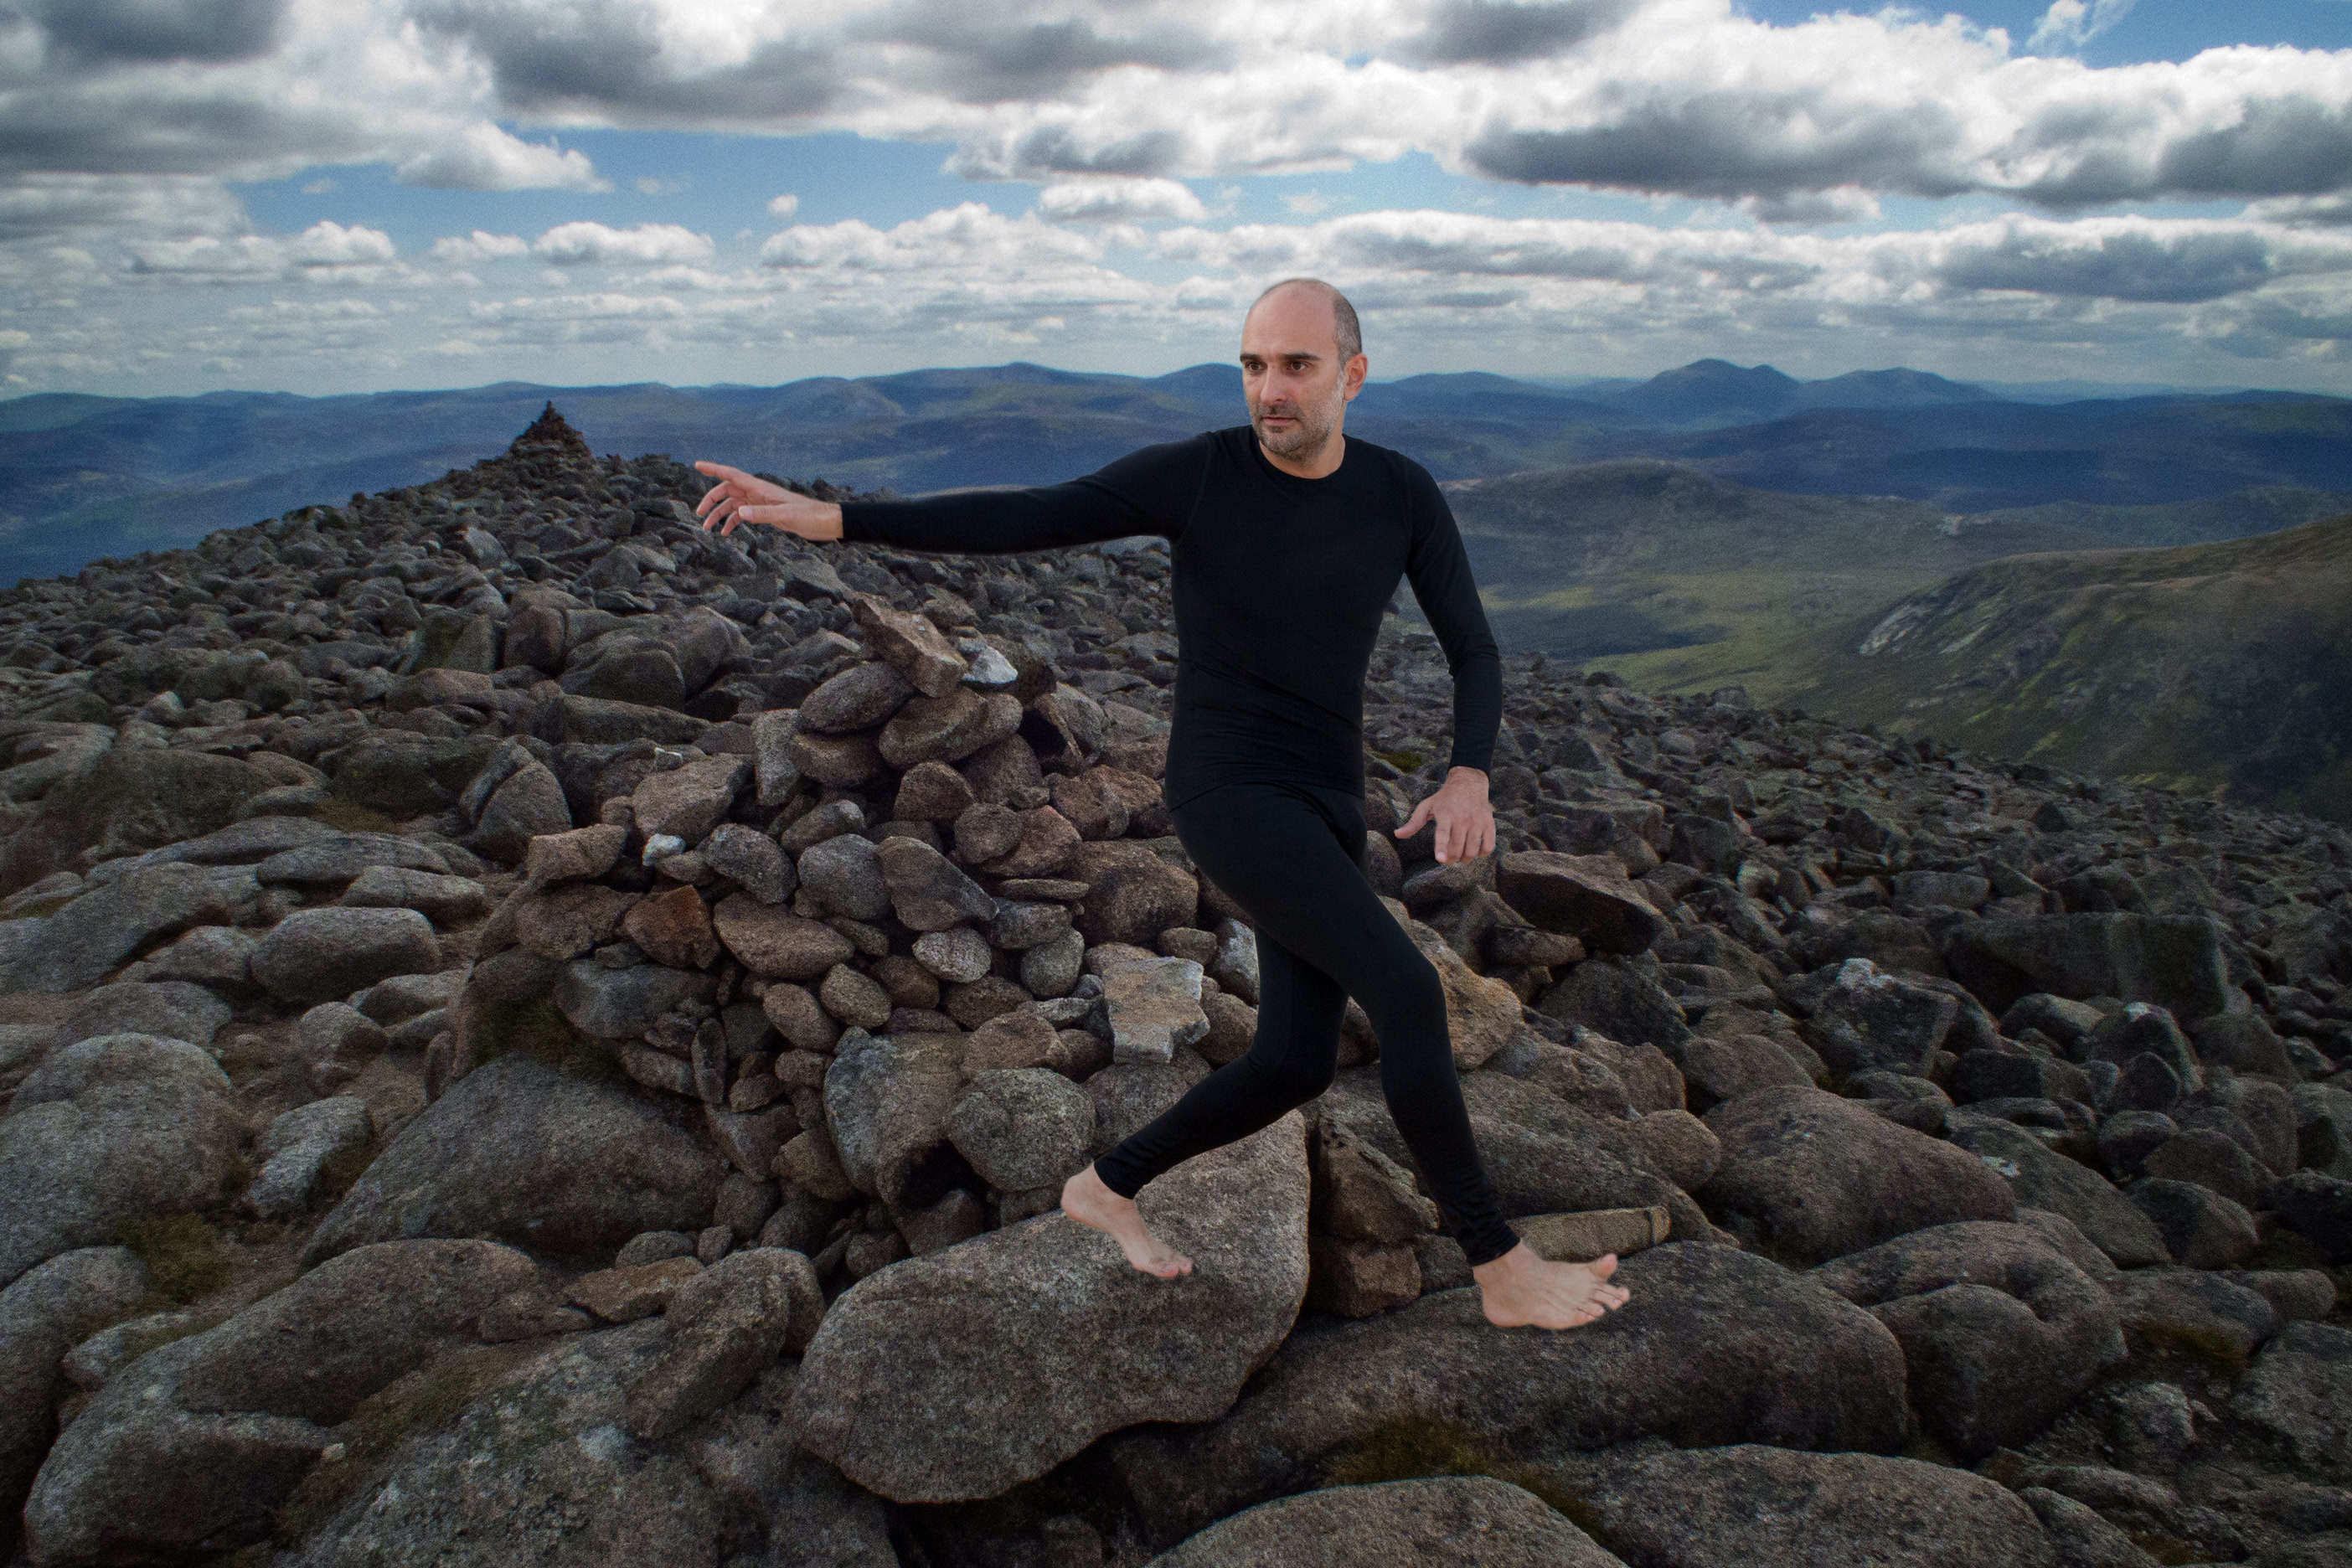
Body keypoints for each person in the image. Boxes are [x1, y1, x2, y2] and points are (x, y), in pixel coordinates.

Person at [693, 277, 1632, 1331]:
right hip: (1229, 790)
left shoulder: (1402, 493)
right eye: (1252, 365)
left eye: (1295, 366)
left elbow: (1473, 647)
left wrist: (1469, 771)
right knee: (1409, 994)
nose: (1268, 390)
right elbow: (1030, 516)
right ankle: (1498, 1265)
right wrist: (832, 518)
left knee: (1293, 1058)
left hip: (1328, 795)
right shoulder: (1201, 477)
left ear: (1353, 377)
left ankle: (1104, 1187)